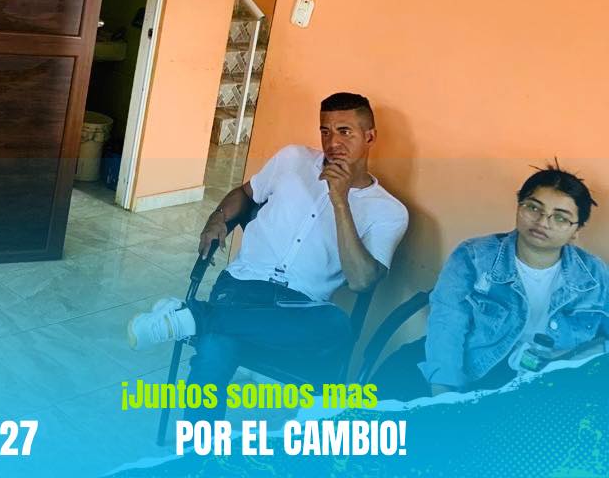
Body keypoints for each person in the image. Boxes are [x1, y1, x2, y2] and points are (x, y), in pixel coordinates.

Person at [127, 92, 409, 420]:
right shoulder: (293, 159)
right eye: (325, 131)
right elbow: (246, 193)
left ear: (369, 137)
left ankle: (191, 316)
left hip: (301, 308)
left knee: (335, 326)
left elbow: (362, 281)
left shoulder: (389, 211)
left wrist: (340, 201)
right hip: (241, 286)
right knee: (217, 344)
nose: (333, 143)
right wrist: (217, 217)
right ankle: (198, 445)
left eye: (345, 131)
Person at [374, 165, 608, 398]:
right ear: (519, 206)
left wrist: (580, 359)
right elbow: (447, 324)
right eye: (533, 207)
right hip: (474, 368)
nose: (543, 222)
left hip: (542, 387)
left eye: (560, 217)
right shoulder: (474, 256)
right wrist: (444, 395)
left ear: (576, 230)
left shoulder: (595, 274)